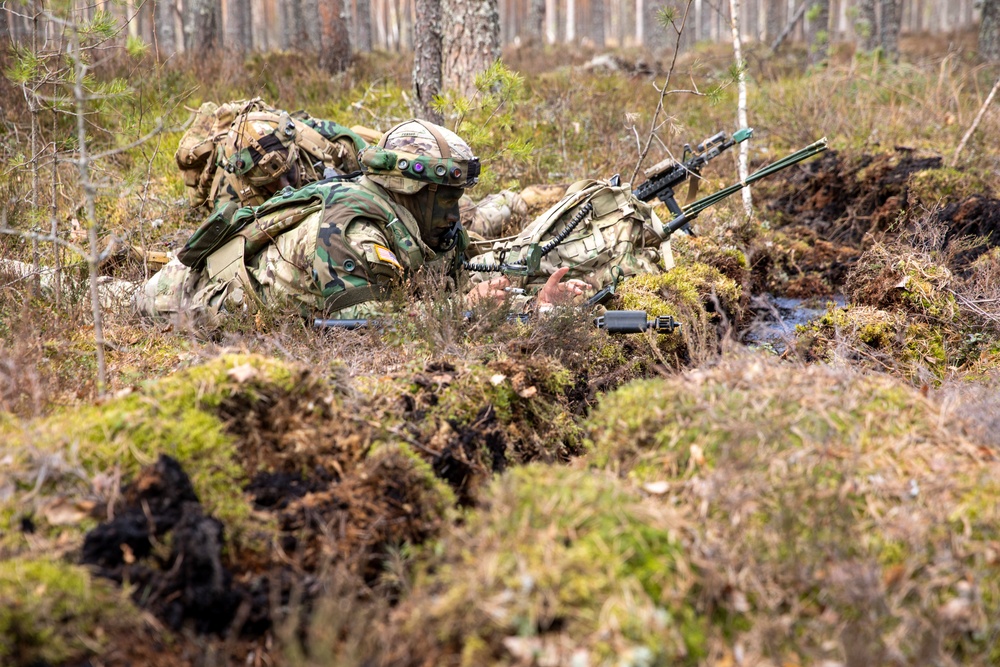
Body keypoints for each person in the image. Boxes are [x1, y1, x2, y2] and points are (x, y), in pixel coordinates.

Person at [136, 119, 586, 325]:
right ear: (410, 190)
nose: (454, 212)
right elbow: (366, 324)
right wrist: (477, 310)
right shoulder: (354, 229)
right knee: (114, 295)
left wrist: (533, 303)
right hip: (186, 296)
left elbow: (458, 296)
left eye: (457, 197)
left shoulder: (429, 232)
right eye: (445, 197)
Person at [176, 98, 528, 239]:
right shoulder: (230, 194)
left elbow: (373, 161)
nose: (285, 185)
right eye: (272, 183)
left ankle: (520, 199)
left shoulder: (314, 139)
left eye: (289, 172)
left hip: (381, 192)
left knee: (463, 218)